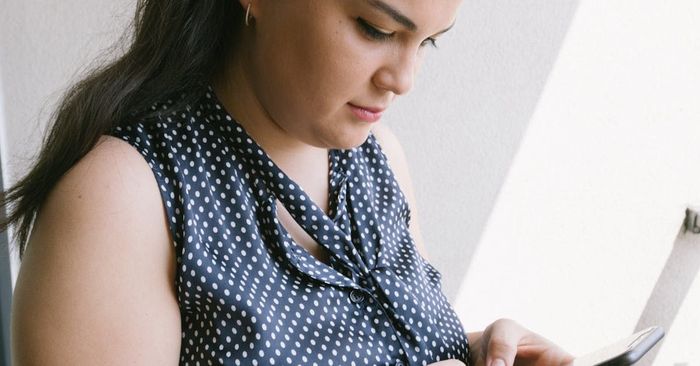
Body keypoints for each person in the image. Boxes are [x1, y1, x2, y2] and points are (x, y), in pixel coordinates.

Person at [1, 1, 575, 365]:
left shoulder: (379, 160)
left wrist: (478, 352)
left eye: (427, 42)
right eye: (375, 28)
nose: (403, 80)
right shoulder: (124, 198)